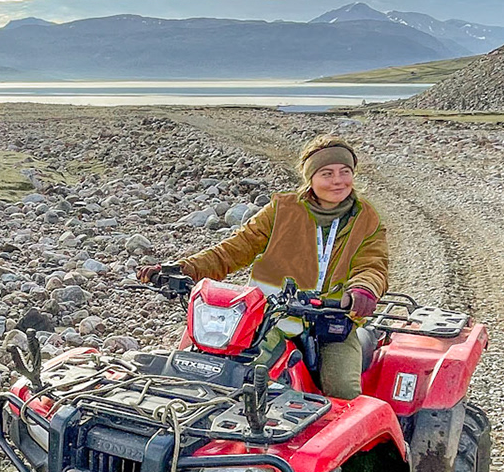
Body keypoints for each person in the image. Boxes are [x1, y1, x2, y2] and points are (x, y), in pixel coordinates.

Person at [138, 133, 387, 397]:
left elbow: (373, 263)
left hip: (330, 320)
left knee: (342, 393)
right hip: (265, 317)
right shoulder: (282, 210)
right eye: (327, 173)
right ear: (310, 179)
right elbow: (233, 250)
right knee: (194, 363)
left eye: (344, 172)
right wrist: (181, 269)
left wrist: (363, 289)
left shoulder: (365, 218)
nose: (338, 180)